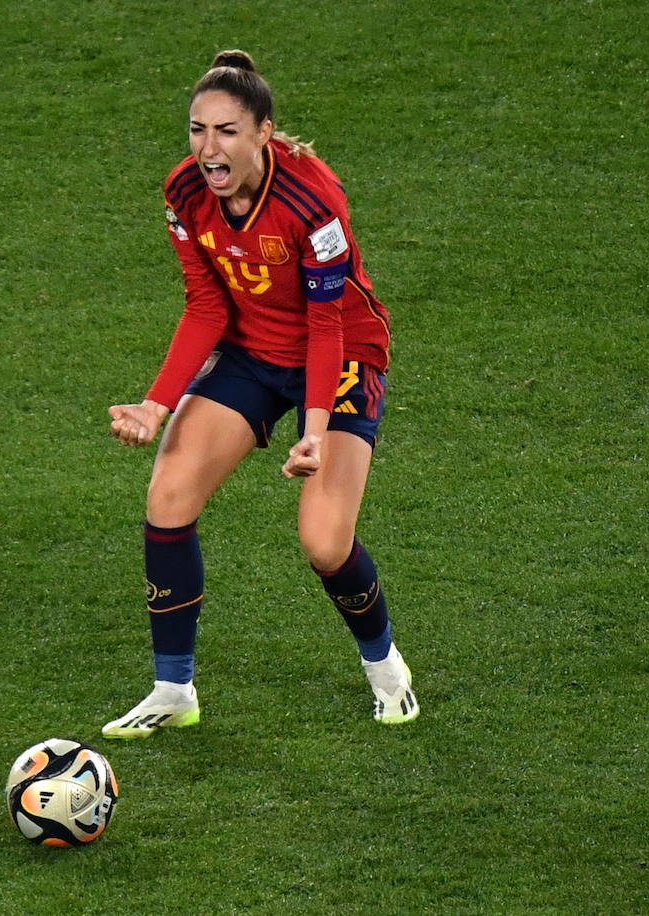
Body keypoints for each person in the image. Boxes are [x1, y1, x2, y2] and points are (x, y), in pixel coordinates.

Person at [102, 50, 417, 738]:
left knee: (324, 542)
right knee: (169, 493)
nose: (207, 148)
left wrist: (313, 427)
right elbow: (206, 307)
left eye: (225, 131)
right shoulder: (183, 192)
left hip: (339, 354)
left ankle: (387, 669)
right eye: (196, 130)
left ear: (263, 134)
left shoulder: (314, 199)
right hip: (252, 352)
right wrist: (158, 404)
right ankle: (172, 688)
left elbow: (327, 320)